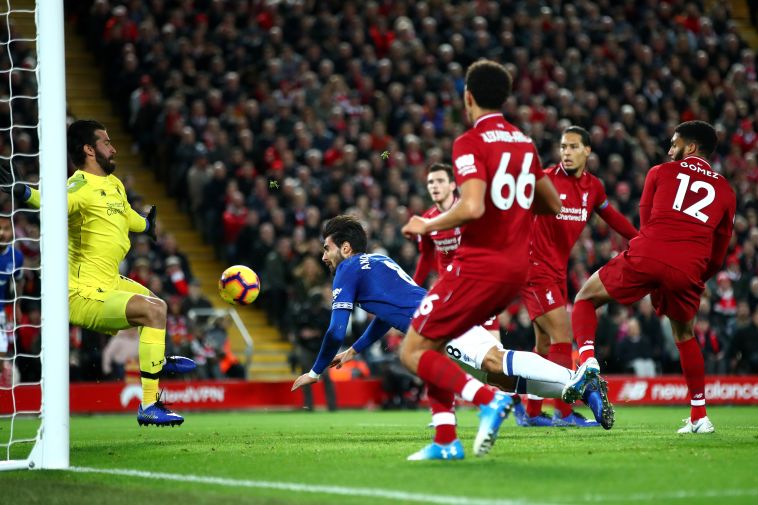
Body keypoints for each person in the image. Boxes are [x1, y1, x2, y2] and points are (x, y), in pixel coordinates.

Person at [291, 216, 610, 458]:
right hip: (434, 314)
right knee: (499, 377)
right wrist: (355, 350)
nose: (323, 256)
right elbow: (386, 314)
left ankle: (574, 377)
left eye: (327, 248)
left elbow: (334, 329)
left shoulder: (347, 271)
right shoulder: (378, 260)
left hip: (436, 319)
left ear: (345, 248)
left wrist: (315, 371)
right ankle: (583, 390)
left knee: (493, 360)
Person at [398, 60, 582, 459]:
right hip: (517, 270)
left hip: (479, 265)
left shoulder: (470, 141)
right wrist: (514, 205)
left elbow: (472, 206)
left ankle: (487, 399)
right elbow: (551, 203)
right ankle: (445, 440)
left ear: (468, 97)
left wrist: (425, 225)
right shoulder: (525, 143)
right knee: (438, 341)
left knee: (411, 350)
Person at [0, 119, 195, 426]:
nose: (113, 147)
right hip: (81, 290)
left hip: (108, 280)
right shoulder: (78, 184)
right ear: (89, 150)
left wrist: (147, 225)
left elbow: (125, 215)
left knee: (160, 306)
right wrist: (24, 192)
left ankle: (156, 360)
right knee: (154, 311)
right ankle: (148, 404)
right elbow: (53, 203)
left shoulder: (114, 184)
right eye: (106, 142)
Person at [571, 120, 736, 434]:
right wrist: (696, 276)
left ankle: (589, 361)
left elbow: (645, 224)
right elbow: (718, 253)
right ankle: (700, 416)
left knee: (585, 298)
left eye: (674, 143)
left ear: (690, 147)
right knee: (685, 335)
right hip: (689, 267)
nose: (669, 149)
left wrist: (651, 263)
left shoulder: (659, 172)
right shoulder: (726, 190)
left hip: (649, 252)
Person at [517, 126, 638, 428]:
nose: (566, 153)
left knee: (544, 344)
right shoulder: (545, 181)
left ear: (587, 151)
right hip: (534, 268)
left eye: (573, 147)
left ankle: (532, 414)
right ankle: (563, 410)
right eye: (563, 147)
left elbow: (612, 216)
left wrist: (639, 239)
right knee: (562, 337)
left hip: (557, 272)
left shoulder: (593, 187)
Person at [413, 162, 499, 335]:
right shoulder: (427, 221)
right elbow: (426, 258)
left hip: (478, 285)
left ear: (452, 185)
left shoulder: (470, 211)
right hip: (450, 292)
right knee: (450, 346)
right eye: (431, 182)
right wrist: (412, 286)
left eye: (440, 181)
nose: (434, 186)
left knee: (494, 343)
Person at [0, 215, 23, 384]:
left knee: (4, 348)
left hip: (1, 310)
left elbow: (18, 281)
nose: (1, 233)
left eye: (6, 229)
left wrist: (17, 306)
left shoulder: (16, 257)